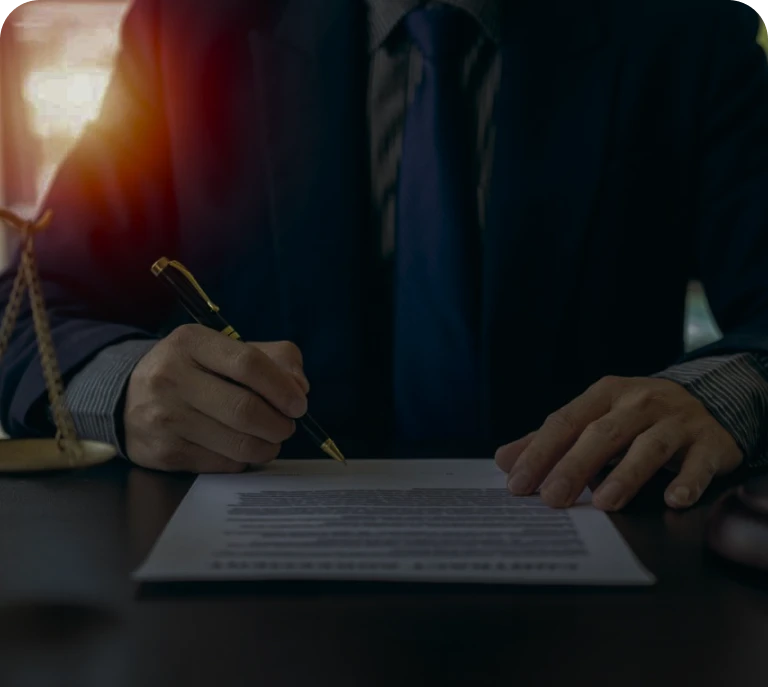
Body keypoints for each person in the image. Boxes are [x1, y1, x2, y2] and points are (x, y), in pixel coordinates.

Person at [1, 0, 768, 514]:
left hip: (609, 575)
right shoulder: (190, 24)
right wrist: (130, 388)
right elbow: (30, 311)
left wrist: (719, 395)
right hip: (257, 607)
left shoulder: (683, 22)